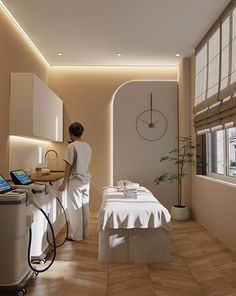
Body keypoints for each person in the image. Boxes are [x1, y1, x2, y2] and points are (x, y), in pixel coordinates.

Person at [59, 122, 92, 241]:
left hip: (76, 181)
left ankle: (77, 236)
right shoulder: (87, 146)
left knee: (75, 208)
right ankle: (85, 233)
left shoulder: (71, 146)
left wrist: (63, 183)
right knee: (84, 207)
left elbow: (68, 166)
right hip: (86, 181)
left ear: (70, 133)